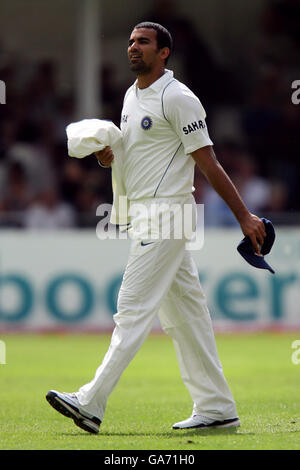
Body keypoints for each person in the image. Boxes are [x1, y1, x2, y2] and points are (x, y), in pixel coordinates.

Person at [46, 22, 266, 434]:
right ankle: (217, 408)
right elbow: (139, 152)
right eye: (130, 42)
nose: (133, 48)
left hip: (167, 214)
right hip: (148, 214)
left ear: (164, 53)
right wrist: (109, 157)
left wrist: (244, 216)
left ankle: (90, 402)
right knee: (187, 319)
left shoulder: (178, 98)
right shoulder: (132, 95)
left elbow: (209, 164)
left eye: (143, 42)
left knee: (131, 310)